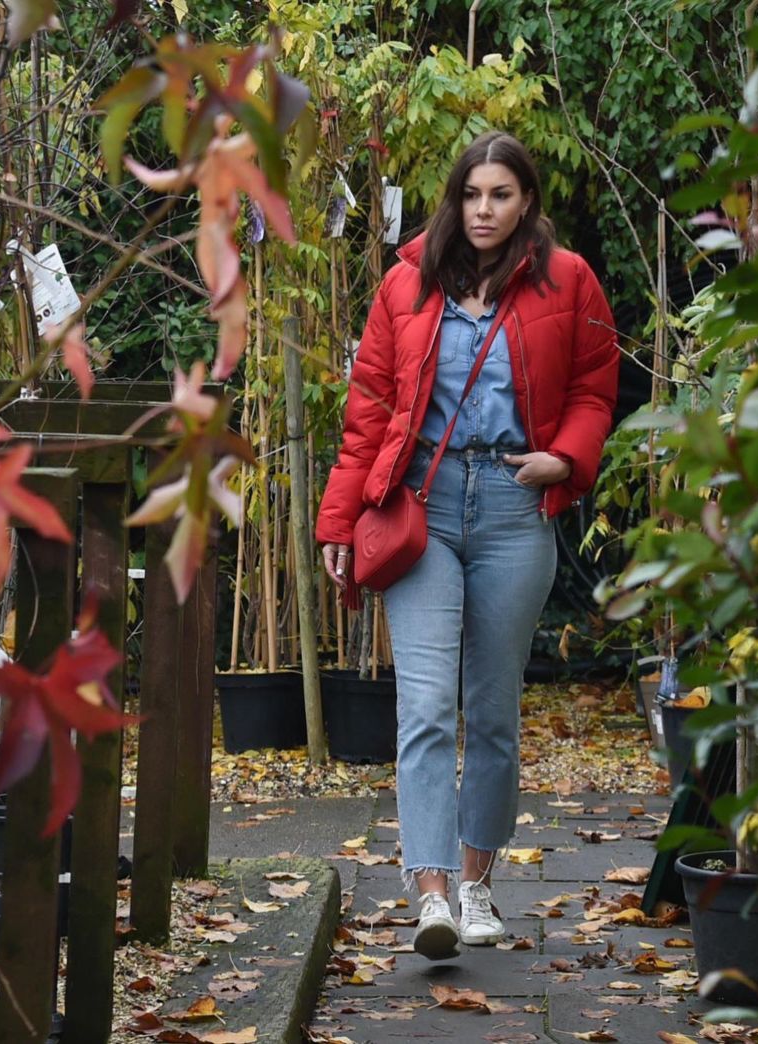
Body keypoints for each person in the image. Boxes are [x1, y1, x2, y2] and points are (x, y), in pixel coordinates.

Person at [316, 130, 619, 960]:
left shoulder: (570, 281)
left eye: (502, 196)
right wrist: (339, 521)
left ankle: (479, 885)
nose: (484, 211)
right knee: (424, 709)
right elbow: (369, 411)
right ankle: (433, 895)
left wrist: (569, 458)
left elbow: (597, 386)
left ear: (527, 204)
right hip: (422, 506)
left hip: (516, 507)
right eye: (472, 195)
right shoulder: (408, 284)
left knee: (491, 712)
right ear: (454, 200)